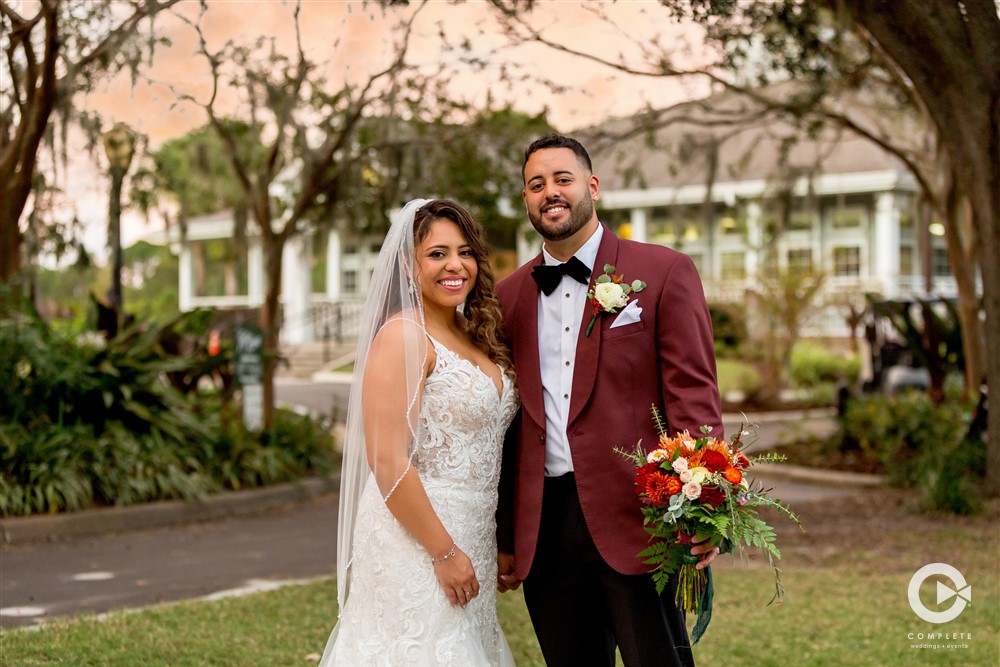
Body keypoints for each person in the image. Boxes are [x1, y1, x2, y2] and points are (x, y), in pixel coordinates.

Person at [495, 135, 722, 667]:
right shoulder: (505, 299)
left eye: (562, 179)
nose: (550, 192)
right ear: (526, 201)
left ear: (592, 187)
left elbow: (693, 396)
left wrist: (704, 510)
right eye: (536, 185)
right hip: (544, 533)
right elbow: (503, 429)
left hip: (638, 521)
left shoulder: (664, 272)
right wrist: (506, 533)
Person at [319, 199, 519, 666]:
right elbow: (387, 460)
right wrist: (443, 551)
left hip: (474, 533)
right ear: (408, 266)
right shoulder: (403, 336)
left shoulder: (476, 334)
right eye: (437, 254)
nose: (455, 265)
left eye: (465, 252)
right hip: (417, 540)